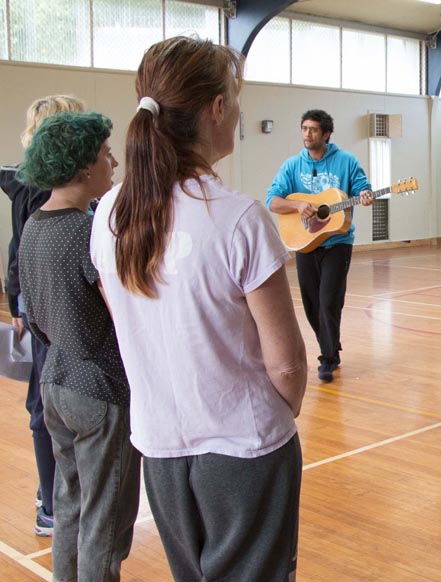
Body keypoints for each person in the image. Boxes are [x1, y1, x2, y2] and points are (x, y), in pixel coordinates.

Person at [90, 37, 307, 582]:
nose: (239, 111)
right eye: (234, 98)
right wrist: (275, 414)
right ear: (216, 108)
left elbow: (123, 320)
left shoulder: (108, 212)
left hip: (160, 445)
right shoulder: (238, 217)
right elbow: (286, 363)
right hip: (244, 448)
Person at [16, 111, 140, 582]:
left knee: (69, 505)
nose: (113, 162)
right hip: (100, 390)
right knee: (104, 522)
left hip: (56, 382)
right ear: (84, 166)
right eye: (106, 154)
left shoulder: (33, 226)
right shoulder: (89, 233)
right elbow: (124, 316)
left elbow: (34, 312)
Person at [0, 94, 85, 536]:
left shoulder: (44, 184)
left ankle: (51, 490)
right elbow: (23, 249)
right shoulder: (38, 189)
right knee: (44, 401)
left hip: (44, 302)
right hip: (49, 304)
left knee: (50, 399)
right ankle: (52, 504)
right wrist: (19, 301)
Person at [267, 109, 373, 382]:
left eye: (313, 129)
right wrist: (298, 204)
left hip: (337, 241)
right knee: (312, 304)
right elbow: (273, 201)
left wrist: (364, 194)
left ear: (326, 134)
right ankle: (331, 344)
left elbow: (362, 186)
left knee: (329, 301)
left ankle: (327, 358)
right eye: (304, 129)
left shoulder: (346, 161)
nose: (307, 134)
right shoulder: (292, 166)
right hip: (304, 242)